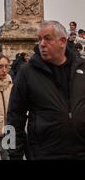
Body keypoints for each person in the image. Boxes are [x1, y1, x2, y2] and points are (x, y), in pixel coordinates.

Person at [7, 21, 85, 159]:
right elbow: (13, 119)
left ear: (62, 41)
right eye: (39, 39)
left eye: (47, 39)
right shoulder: (27, 72)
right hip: (44, 154)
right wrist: (12, 155)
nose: (41, 44)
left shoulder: (82, 68)